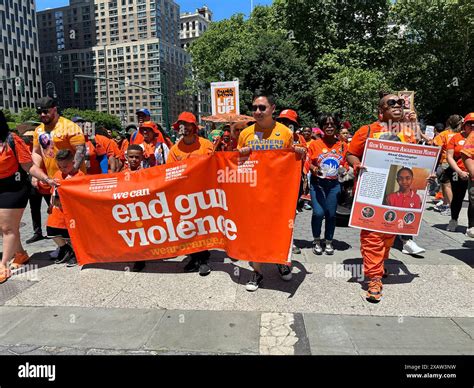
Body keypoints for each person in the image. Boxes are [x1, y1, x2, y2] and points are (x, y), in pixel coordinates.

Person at [346, 92, 429, 303]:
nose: (398, 105)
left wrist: (428, 172)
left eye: (400, 102)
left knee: (390, 232)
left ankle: (379, 266)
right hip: (372, 191)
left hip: (399, 190)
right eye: (391, 103)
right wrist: (356, 164)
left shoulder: (409, 132)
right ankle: (373, 277)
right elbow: (350, 153)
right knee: (373, 234)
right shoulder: (367, 130)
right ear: (380, 111)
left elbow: (421, 157)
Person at [237, 92, 306, 291]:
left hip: (279, 193)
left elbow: (293, 158)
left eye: (262, 107)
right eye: (254, 108)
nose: (257, 111)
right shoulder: (245, 134)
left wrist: (299, 151)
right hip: (254, 192)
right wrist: (240, 154)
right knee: (255, 232)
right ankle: (257, 271)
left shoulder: (285, 132)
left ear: (272, 109)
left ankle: (281, 263)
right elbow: (238, 163)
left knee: (281, 230)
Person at [0, 111, 57, 283]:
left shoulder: (12, 140)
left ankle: (3, 266)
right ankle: (21, 254)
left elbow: (29, 166)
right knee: (5, 227)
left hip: (14, 188)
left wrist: (46, 179)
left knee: (7, 229)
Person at [167, 112, 214, 276]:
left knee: (202, 225)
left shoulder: (206, 144)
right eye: (181, 124)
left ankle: (202, 259)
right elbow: (169, 172)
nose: (184, 127)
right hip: (184, 194)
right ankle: (197, 257)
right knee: (188, 226)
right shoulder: (174, 150)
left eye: (187, 124)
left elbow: (213, 165)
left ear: (194, 127)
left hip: (203, 191)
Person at [307, 113, 347, 255]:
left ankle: (328, 241)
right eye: (326, 124)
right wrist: (315, 169)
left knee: (331, 214)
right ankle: (316, 240)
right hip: (318, 184)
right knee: (318, 213)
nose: (329, 127)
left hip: (334, 185)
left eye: (332, 124)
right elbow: (308, 163)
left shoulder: (342, 145)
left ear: (336, 127)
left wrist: (344, 170)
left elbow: (345, 164)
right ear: (322, 127)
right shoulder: (314, 144)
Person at [32, 96, 86, 180]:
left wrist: (73, 172)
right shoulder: (38, 130)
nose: (42, 114)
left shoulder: (70, 126)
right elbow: (36, 153)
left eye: (45, 111)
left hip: (74, 179)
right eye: (39, 112)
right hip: (52, 180)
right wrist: (36, 174)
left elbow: (81, 150)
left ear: (55, 109)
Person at [47, 149, 85, 267]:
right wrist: (50, 204)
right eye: (59, 166)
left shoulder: (80, 176)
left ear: (73, 163)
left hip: (71, 212)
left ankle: (75, 253)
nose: (62, 169)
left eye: (65, 166)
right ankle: (65, 249)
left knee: (70, 235)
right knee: (52, 232)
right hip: (56, 211)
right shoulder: (58, 174)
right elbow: (53, 191)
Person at [445, 113, 473, 232]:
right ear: (463, 125)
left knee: (473, 201)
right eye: (469, 124)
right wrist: (459, 171)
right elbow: (449, 157)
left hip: (472, 174)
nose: (472, 126)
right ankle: (454, 219)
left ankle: (471, 226)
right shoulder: (455, 138)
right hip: (458, 172)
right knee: (458, 197)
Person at [432, 115, 462, 215]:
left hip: (445, 162)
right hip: (459, 163)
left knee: (446, 185)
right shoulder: (462, 134)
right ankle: (446, 204)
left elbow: (435, 145)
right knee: (451, 186)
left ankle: (450, 207)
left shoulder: (445, 134)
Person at [460, 115, 474, 238]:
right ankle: (471, 226)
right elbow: (466, 154)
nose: (473, 125)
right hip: (461, 173)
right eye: (470, 123)